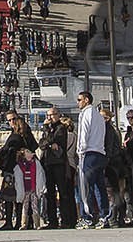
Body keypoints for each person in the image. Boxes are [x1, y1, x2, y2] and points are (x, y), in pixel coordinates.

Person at [74, 91, 110, 229]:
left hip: (88, 152)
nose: (78, 102)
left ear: (86, 100)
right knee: (99, 186)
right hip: (99, 152)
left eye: (79, 99)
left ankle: (86, 217)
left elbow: (84, 132)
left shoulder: (85, 113)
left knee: (85, 187)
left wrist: (80, 150)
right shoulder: (99, 115)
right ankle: (104, 215)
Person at [39, 108, 74, 228]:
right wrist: (48, 143)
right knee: (50, 193)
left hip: (59, 163)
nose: (50, 117)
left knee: (63, 192)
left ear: (58, 115)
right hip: (48, 163)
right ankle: (52, 221)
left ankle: (66, 220)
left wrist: (48, 141)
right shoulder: (47, 129)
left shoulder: (61, 128)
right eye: (48, 115)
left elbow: (55, 140)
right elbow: (42, 144)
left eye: (52, 115)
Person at [11, 146, 45, 229]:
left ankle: (37, 224)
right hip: (25, 189)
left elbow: (40, 175)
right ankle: (24, 224)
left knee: (34, 206)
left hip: (33, 188)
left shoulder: (35, 163)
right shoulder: (21, 165)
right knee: (25, 206)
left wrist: (41, 187)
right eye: (27, 153)